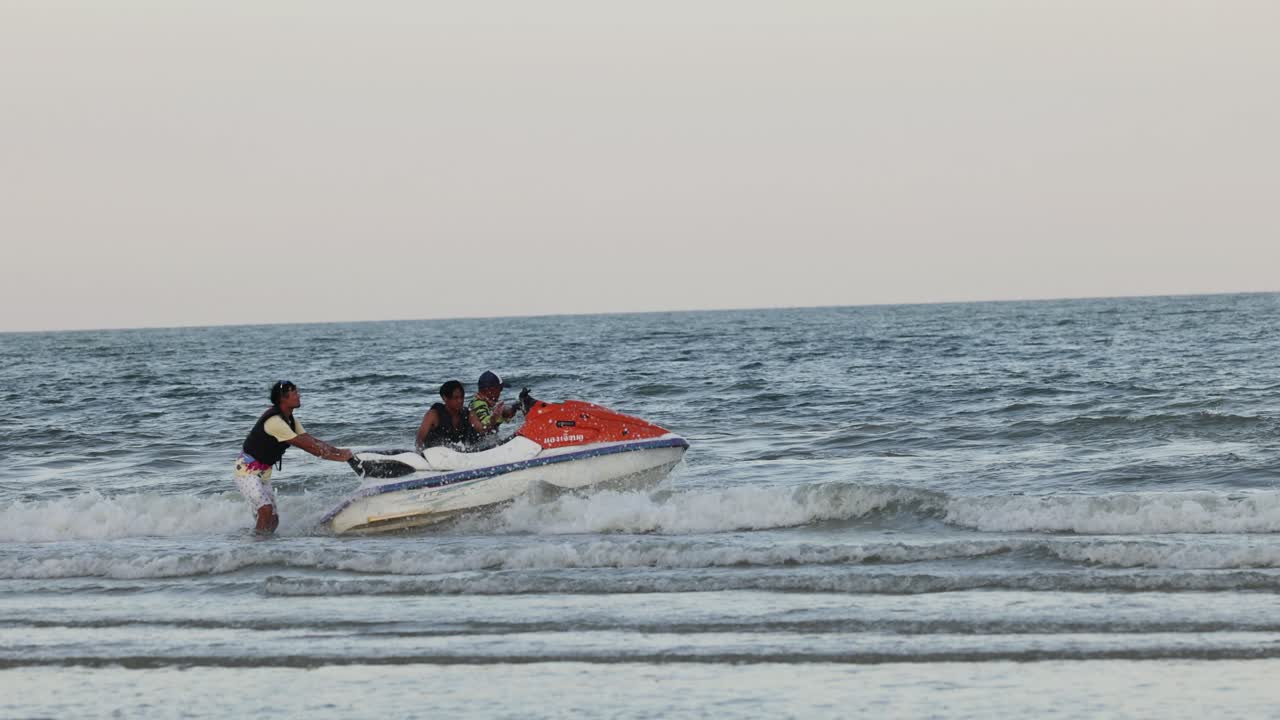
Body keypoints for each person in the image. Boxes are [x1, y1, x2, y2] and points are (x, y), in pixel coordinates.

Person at [234, 380, 353, 534]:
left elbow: (311, 440)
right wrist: (340, 459)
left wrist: (339, 451)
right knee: (265, 509)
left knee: (274, 520)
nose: (299, 396)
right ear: (283, 398)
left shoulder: (290, 419)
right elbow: (308, 447)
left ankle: (264, 543)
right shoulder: (275, 422)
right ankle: (255, 546)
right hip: (245, 471)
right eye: (295, 393)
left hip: (263, 473)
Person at [415, 379, 479, 451]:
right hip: (434, 453)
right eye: (456, 398)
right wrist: (421, 453)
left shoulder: (468, 413)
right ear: (445, 398)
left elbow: (482, 430)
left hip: (459, 453)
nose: (460, 401)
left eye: (462, 397)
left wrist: (493, 418)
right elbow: (419, 439)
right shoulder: (433, 415)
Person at [468, 370, 520, 443]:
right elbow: (484, 424)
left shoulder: (487, 403)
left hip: (486, 444)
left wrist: (515, 407)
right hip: (478, 448)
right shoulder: (478, 403)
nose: (500, 392)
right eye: (500, 389)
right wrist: (497, 417)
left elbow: (504, 413)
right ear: (490, 390)